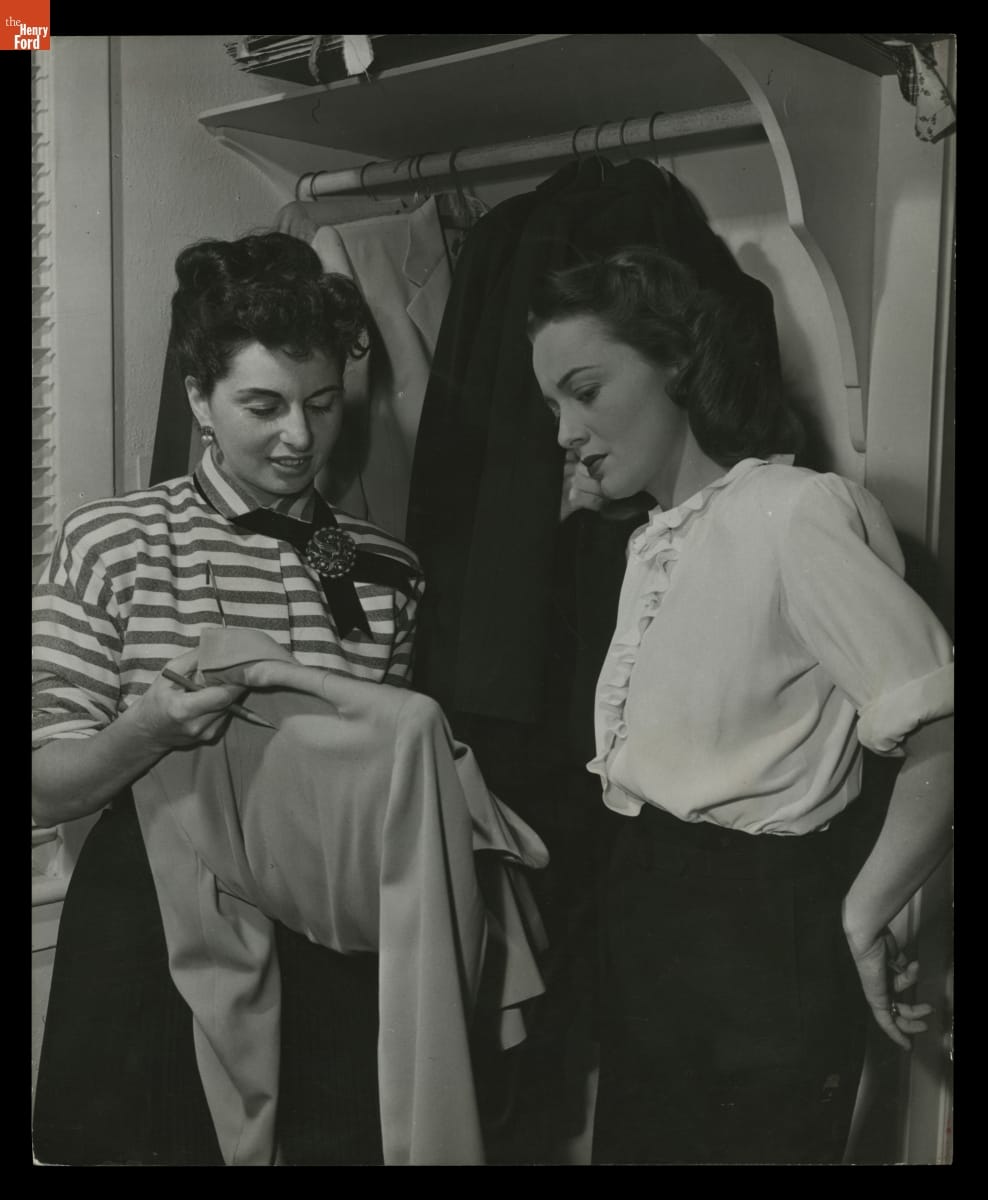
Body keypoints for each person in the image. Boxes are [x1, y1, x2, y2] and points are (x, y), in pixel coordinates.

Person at [528, 247, 954, 1165]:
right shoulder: (653, 538)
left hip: (763, 936)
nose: (565, 430)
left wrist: (866, 910)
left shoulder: (796, 512)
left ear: (678, 363)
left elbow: (942, 722)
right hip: (648, 912)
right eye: (552, 405)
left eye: (585, 391)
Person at [32, 231, 424, 1166]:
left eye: (321, 404)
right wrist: (149, 729)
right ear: (198, 399)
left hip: (333, 934)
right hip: (154, 938)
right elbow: (42, 786)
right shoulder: (113, 542)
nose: (300, 438)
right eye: (264, 405)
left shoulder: (384, 571)